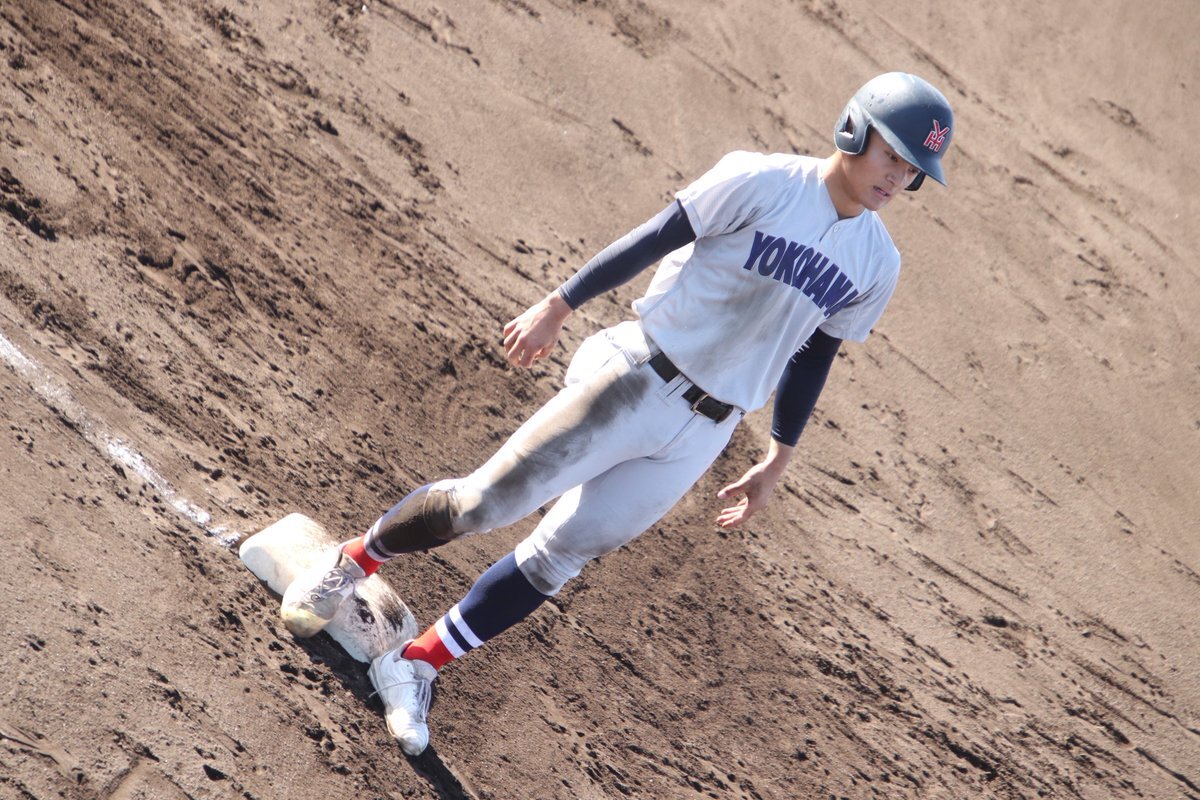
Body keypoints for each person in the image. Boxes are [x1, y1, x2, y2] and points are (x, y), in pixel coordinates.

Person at [280, 72, 954, 755]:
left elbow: (815, 355)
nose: (897, 177)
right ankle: (348, 564)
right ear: (854, 130)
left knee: (561, 557)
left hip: (704, 432)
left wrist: (779, 456)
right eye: (891, 155)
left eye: (913, 171)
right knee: (482, 504)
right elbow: (656, 236)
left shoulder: (877, 262)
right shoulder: (764, 180)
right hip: (636, 375)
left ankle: (415, 665)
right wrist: (558, 305)